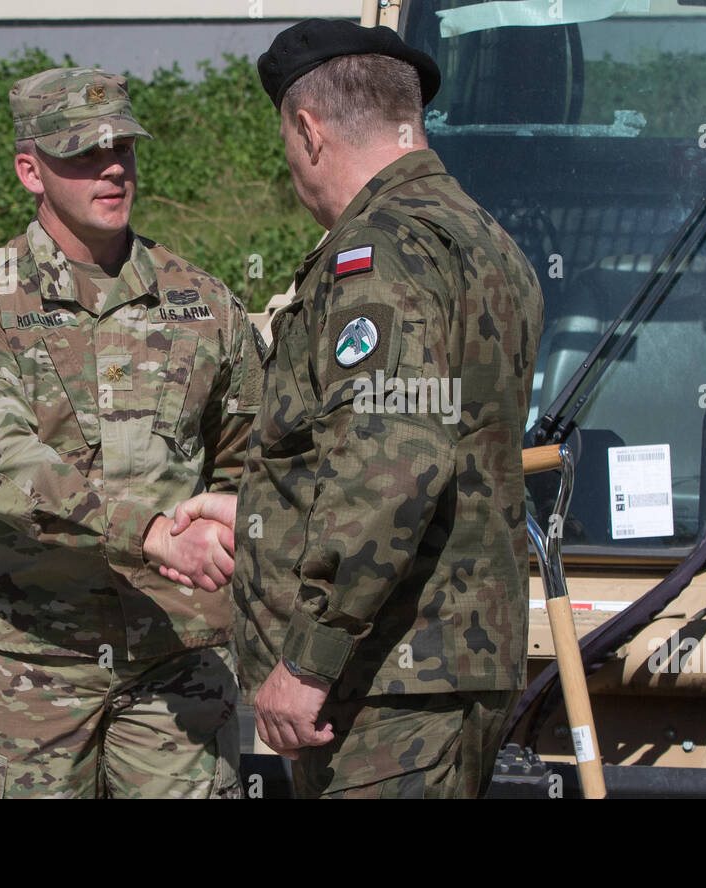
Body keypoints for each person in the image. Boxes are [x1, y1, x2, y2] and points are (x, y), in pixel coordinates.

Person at [171, 20, 544, 798]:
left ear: (308, 131)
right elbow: (439, 450)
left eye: (286, 141)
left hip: (388, 682)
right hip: (449, 661)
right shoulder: (484, 238)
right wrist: (260, 515)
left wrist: (309, 659)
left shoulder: (377, 252)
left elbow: (392, 466)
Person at [0, 67, 261, 798]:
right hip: (31, 668)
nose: (111, 167)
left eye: (123, 148)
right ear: (29, 170)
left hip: (175, 662)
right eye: (82, 152)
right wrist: (152, 532)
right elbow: (4, 465)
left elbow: (251, 464)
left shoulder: (206, 305)